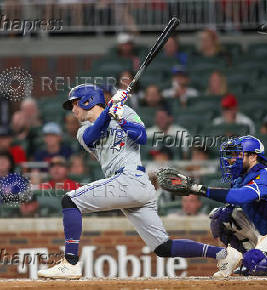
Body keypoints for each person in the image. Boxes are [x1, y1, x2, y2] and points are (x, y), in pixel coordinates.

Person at [37, 84, 236, 280]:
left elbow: (141, 137)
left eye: (75, 104)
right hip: (126, 185)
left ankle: (70, 263)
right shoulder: (82, 132)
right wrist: (109, 111)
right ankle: (223, 255)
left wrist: (119, 116)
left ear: (88, 101)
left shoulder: (126, 111)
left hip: (132, 179)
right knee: (163, 247)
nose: (73, 109)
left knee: (69, 200)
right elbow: (92, 136)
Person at [159, 135, 267, 276]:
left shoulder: (266, 175)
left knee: (257, 264)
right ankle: (246, 258)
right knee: (221, 218)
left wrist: (199, 189)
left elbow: (242, 196)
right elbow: (231, 207)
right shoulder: (241, 179)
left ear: (252, 157)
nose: (232, 159)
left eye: (238, 155)